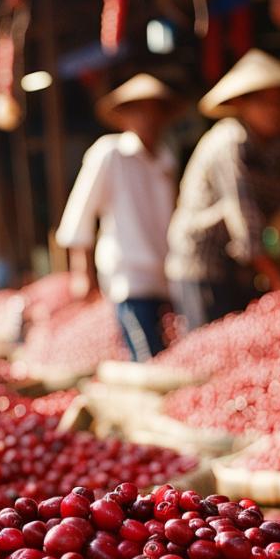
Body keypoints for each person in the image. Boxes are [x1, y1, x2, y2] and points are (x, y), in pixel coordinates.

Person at [167, 49, 280, 330]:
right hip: (202, 266)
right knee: (209, 350)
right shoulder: (230, 142)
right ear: (242, 104)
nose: (276, 112)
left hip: (239, 269)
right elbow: (244, 221)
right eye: (267, 103)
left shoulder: (276, 152)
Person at [55, 74, 185, 360]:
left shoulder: (165, 159)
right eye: (139, 110)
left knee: (168, 359)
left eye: (154, 110)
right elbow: (81, 212)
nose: (148, 118)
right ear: (124, 116)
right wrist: (83, 272)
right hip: (130, 278)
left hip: (165, 278)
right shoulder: (110, 153)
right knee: (147, 358)